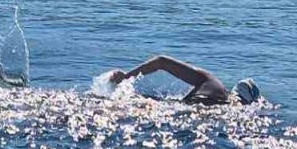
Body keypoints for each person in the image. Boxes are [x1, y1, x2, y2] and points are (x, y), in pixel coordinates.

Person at [109, 55, 261, 105]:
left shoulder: (213, 82)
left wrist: (126, 77)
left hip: (190, 108)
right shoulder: (234, 107)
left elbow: (161, 61)